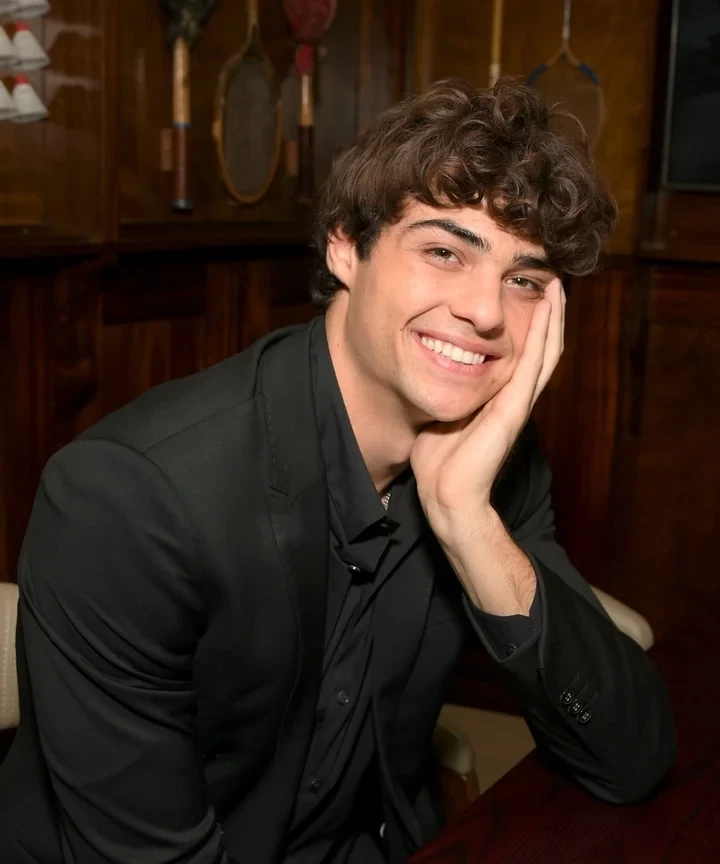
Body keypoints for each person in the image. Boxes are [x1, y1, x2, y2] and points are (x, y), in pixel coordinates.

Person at [0, 78, 674, 864]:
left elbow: (632, 758)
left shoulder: (492, 468)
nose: (488, 312)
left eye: (524, 279)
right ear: (345, 246)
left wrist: (467, 520)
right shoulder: (130, 499)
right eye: (444, 252)